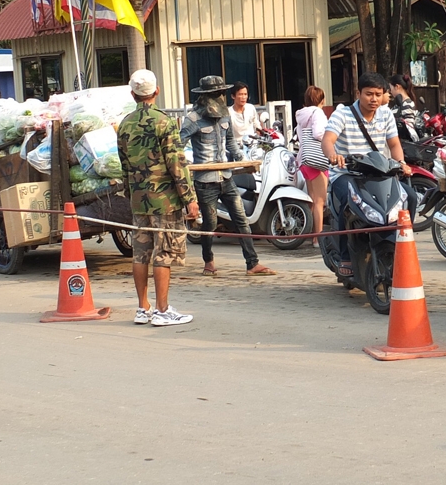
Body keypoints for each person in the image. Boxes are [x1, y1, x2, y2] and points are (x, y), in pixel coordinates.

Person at [116, 69, 201, 327]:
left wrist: (131, 194)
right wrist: (190, 198)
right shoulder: (164, 122)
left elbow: (124, 165)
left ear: (133, 94)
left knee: (141, 252)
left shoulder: (125, 124)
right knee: (164, 252)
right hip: (165, 199)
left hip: (139, 199)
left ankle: (143, 308)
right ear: (157, 91)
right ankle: (163, 310)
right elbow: (177, 163)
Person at [180, 75, 275, 278]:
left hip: (226, 176)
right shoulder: (193, 119)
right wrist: (183, 165)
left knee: (241, 219)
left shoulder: (225, 117)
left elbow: (230, 142)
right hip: (205, 181)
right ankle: (209, 261)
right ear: (205, 96)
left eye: (220, 93)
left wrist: (242, 160)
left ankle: (252, 263)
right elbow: (178, 146)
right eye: (215, 94)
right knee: (210, 224)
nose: (219, 97)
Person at [321, 72, 413, 278]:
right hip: (346, 174)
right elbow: (327, 140)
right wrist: (334, 155)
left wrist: (402, 164)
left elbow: (394, 144)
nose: (374, 99)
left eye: (378, 94)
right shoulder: (342, 114)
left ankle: (401, 245)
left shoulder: (386, 114)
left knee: (409, 197)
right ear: (358, 93)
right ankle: (346, 255)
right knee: (348, 200)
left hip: (379, 173)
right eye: (369, 94)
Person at [295, 86, 330, 235]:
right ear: (322, 100)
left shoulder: (301, 114)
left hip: (304, 158)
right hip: (318, 160)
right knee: (320, 201)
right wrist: (331, 140)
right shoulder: (318, 113)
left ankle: (311, 234)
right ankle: (318, 238)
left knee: (313, 199)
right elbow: (318, 133)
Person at [388, 74, 422, 140]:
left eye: (391, 88)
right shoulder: (399, 104)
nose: (390, 91)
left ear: (397, 86)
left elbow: (409, 127)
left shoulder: (407, 104)